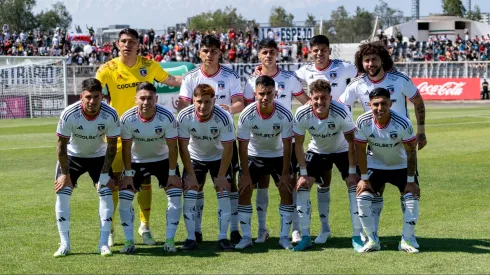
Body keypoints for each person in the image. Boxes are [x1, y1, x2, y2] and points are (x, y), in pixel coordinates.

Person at [96, 28, 181, 246]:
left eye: (132, 41)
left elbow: (171, 80)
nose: (127, 45)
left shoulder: (148, 65)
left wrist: (197, 77)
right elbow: (93, 92)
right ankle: (112, 226)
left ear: (138, 45)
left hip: (144, 132)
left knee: (144, 181)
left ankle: (145, 226)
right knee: (115, 182)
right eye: (123, 41)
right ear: (117, 44)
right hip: (117, 134)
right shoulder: (108, 69)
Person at [339, 41, 426, 245]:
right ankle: (373, 236)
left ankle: (408, 237)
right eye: (366, 60)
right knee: (373, 191)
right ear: (361, 63)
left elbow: (418, 101)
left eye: (374, 59)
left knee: (409, 191)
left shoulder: (399, 79)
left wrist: (421, 132)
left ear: (382, 60)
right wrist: (350, 130)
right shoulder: (357, 84)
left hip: (401, 144)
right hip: (374, 145)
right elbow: (342, 106)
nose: (370, 63)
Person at [177, 35, 244, 244]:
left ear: (219, 53)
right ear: (200, 52)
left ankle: (232, 231)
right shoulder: (191, 77)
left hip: (222, 140)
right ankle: (195, 233)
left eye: (214, 51)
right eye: (206, 50)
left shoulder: (230, 75)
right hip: (197, 142)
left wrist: (228, 109)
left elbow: (239, 103)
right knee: (194, 187)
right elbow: (182, 105)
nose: (209, 55)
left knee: (228, 187)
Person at [244, 38, 309, 244]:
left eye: (272, 52)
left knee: (288, 186)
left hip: (283, 144)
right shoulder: (250, 80)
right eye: (265, 52)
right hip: (258, 145)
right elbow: (247, 109)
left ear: (277, 54)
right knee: (259, 186)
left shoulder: (289, 78)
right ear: (259, 55)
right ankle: (262, 230)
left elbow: (305, 103)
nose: (269, 56)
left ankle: (295, 230)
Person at [294, 34, 358, 244]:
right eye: (315, 50)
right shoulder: (304, 72)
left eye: (323, 49)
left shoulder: (344, 67)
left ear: (329, 51)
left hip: (341, 137)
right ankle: (311, 232)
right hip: (319, 144)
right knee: (308, 185)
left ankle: (358, 234)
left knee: (355, 184)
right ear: (310, 52)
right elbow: (285, 79)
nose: (319, 53)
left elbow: (366, 70)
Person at [53, 78, 120, 257]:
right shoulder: (69, 114)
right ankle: (64, 244)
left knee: (106, 193)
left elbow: (112, 146)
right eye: (88, 97)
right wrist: (65, 174)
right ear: (81, 96)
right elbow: (61, 145)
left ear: (102, 96)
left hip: (99, 157)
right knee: (62, 192)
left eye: (96, 97)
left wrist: (105, 174)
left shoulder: (110, 114)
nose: (92, 101)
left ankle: (103, 244)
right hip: (72, 157)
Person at [354, 88, 420, 253]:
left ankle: (407, 240)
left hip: (401, 166)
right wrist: (363, 178)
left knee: (412, 197)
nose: (380, 107)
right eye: (375, 104)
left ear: (390, 103)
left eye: (384, 103)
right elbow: (360, 150)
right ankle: (372, 240)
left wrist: (411, 181)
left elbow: (411, 151)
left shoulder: (403, 122)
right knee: (362, 197)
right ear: (369, 105)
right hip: (375, 166)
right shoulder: (362, 121)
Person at [118, 82, 181, 254]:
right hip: (137, 161)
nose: (146, 102)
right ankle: (129, 241)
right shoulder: (127, 118)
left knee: (175, 197)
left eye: (150, 99)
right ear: (135, 99)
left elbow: (172, 147)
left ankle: (169, 240)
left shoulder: (167, 117)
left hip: (163, 160)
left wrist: (172, 173)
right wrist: (128, 174)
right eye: (142, 98)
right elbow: (125, 148)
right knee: (124, 198)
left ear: (156, 99)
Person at [235, 75, 295, 250]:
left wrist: (285, 173)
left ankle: (284, 237)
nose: (265, 97)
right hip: (254, 155)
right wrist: (245, 174)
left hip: (278, 156)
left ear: (275, 93)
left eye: (269, 93)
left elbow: (287, 146)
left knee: (286, 189)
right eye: (262, 93)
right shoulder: (247, 114)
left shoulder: (284, 114)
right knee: (244, 190)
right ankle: (246, 237)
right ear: (255, 93)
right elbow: (242, 146)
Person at [177, 84, 236, 251]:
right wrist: (190, 173)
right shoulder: (184, 116)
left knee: (224, 193)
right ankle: (192, 236)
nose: (202, 106)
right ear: (193, 101)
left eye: (207, 102)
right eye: (199, 101)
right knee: (190, 193)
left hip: (219, 157)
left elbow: (229, 148)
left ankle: (223, 238)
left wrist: (222, 176)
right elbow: (182, 147)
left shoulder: (224, 117)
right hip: (195, 157)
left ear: (214, 101)